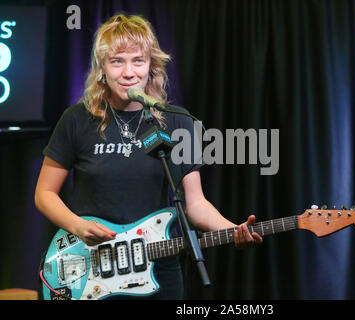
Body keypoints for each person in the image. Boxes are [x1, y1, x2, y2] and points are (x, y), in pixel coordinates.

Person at [34, 14, 262, 300]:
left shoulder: (179, 123)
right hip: (91, 268)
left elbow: (195, 204)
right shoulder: (77, 120)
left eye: (138, 61)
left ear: (151, 66)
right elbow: (44, 193)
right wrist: (77, 226)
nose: (129, 72)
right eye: (117, 61)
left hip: (158, 270)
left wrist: (234, 230)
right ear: (102, 68)